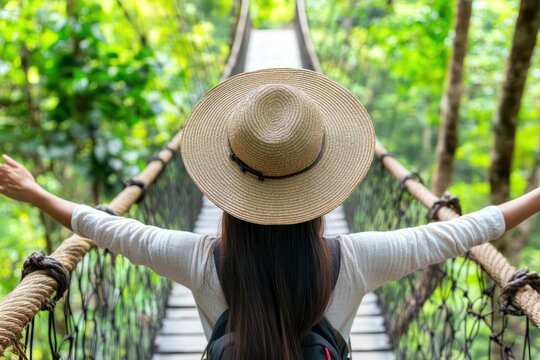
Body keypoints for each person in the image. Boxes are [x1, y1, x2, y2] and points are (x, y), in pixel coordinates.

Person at [0, 68, 538, 360]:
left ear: (226, 191)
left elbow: (111, 229)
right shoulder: (358, 259)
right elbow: (467, 231)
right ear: (323, 187)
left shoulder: (196, 259)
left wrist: (39, 194)